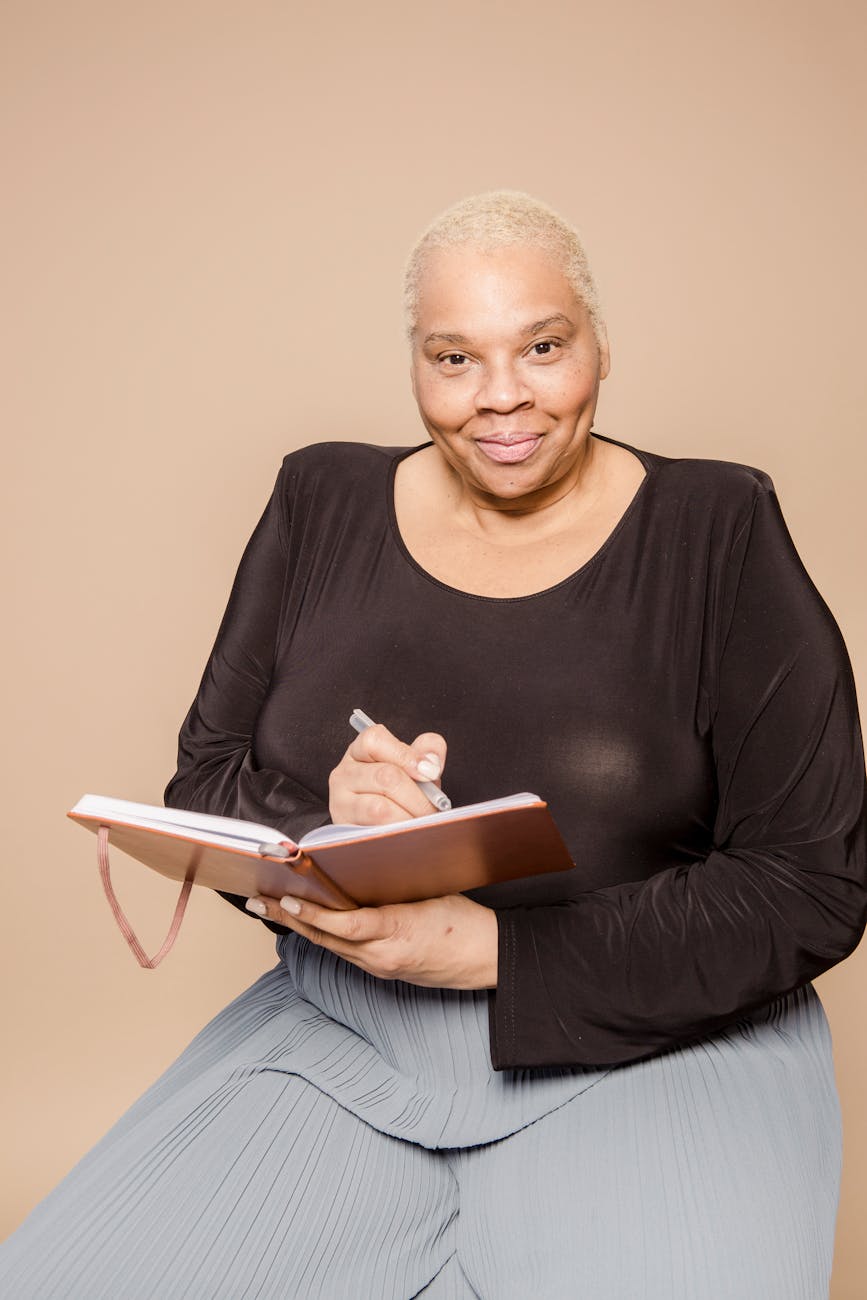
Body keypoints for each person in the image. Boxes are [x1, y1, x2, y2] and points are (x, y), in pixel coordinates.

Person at [2, 190, 865, 1299]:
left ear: (602, 341)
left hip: (662, 1043)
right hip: (352, 1036)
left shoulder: (720, 528)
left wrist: (502, 955)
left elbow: (809, 883)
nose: (500, 396)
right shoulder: (320, 498)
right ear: (414, 362)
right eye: (453, 358)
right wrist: (330, 820)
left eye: (542, 347)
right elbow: (208, 775)